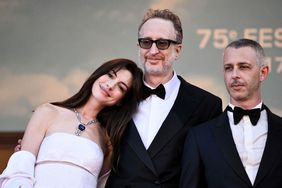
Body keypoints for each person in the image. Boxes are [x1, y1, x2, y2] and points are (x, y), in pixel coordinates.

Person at [105, 9, 222, 188]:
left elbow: (210, 173)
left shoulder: (207, 105)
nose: (153, 50)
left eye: (162, 43)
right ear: (139, 47)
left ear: (178, 50)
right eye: (146, 42)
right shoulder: (117, 96)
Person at [0, 58, 143, 188]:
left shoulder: (108, 139)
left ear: (122, 101)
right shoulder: (48, 111)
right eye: (110, 75)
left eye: (121, 87)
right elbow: (21, 167)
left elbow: (102, 184)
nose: (110, 85)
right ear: (99, 75)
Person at [180, 38, 282, 188]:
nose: (235, 75)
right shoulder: (199, 137)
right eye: (228, 68)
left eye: (244, 67)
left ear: (263, 72)